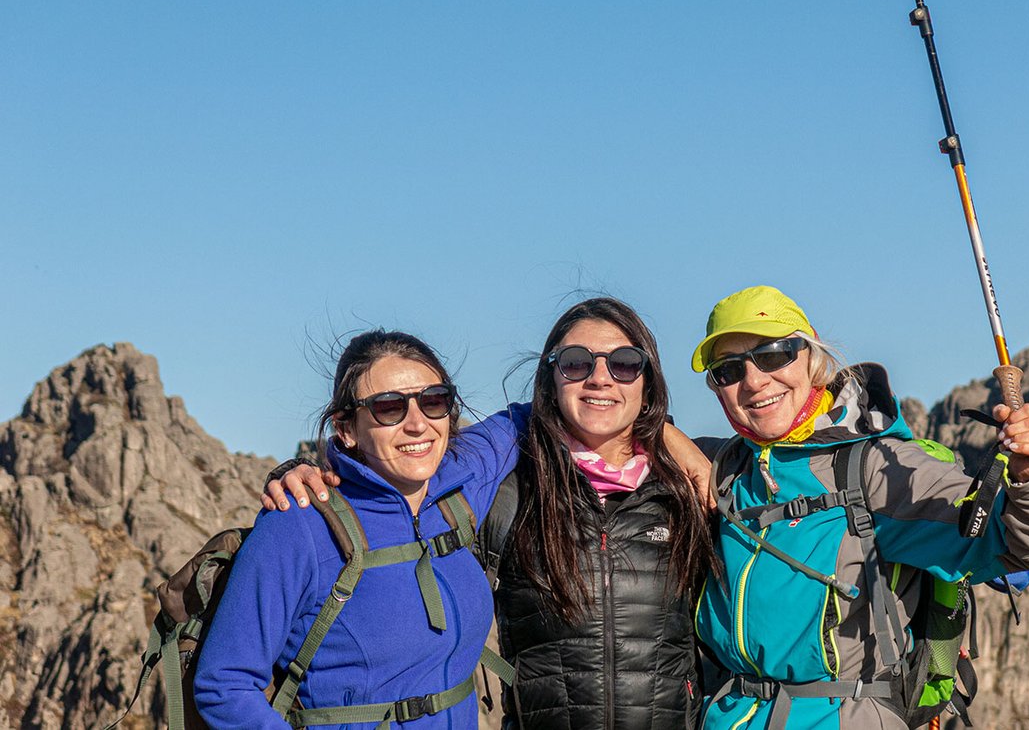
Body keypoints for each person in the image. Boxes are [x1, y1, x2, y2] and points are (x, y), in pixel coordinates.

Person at [265, 298, 717, 730]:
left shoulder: (695, 483)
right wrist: (306, 469)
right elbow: (398, 473)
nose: (600, 378)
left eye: (624, 363)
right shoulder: (508, 484)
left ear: (647, 377)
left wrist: (667, 435)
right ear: (552, 377)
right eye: (576, 362)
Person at [689, 285, 1029, 730]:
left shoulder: (878, 466)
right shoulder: (726, 469)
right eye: (728, 370)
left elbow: (1023, 542)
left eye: (774, 354)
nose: (754, 381)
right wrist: (677, 444)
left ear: (811, 358)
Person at [193, 330, 519, 728]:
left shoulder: (461, 484)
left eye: (434, 401)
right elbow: (224, 684)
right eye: (388, 408)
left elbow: (542, 411)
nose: (418, 424)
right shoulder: (298, 525)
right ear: (346, 429)